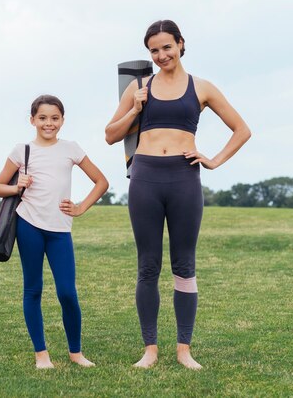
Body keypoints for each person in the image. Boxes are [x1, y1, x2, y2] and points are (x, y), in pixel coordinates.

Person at [105, 20, 251, 370]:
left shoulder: (202, 88)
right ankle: (150, 349)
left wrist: (214, 160)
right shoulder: (138, 87)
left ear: (181, 44)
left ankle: (184, 349)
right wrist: (134, 109)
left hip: (184, 178)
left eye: (166, 47)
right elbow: (110, 135)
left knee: (184, 265)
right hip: (145, 177)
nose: (161, 55)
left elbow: (242, 129)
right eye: (153, 50)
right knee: (148, 265)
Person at [0, 94, 109, 369]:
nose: (49, 123)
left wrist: (80, 208)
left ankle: (75, 353)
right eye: (42, 118)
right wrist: (17, 186)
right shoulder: (21, 151)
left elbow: (101, 182)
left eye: (54, 118)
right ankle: (41, 355)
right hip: (28, 225)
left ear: (62, 120)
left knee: (67, 292)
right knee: (33, 289)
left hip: (60, 230)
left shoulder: (71, 148)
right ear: (32, 120)